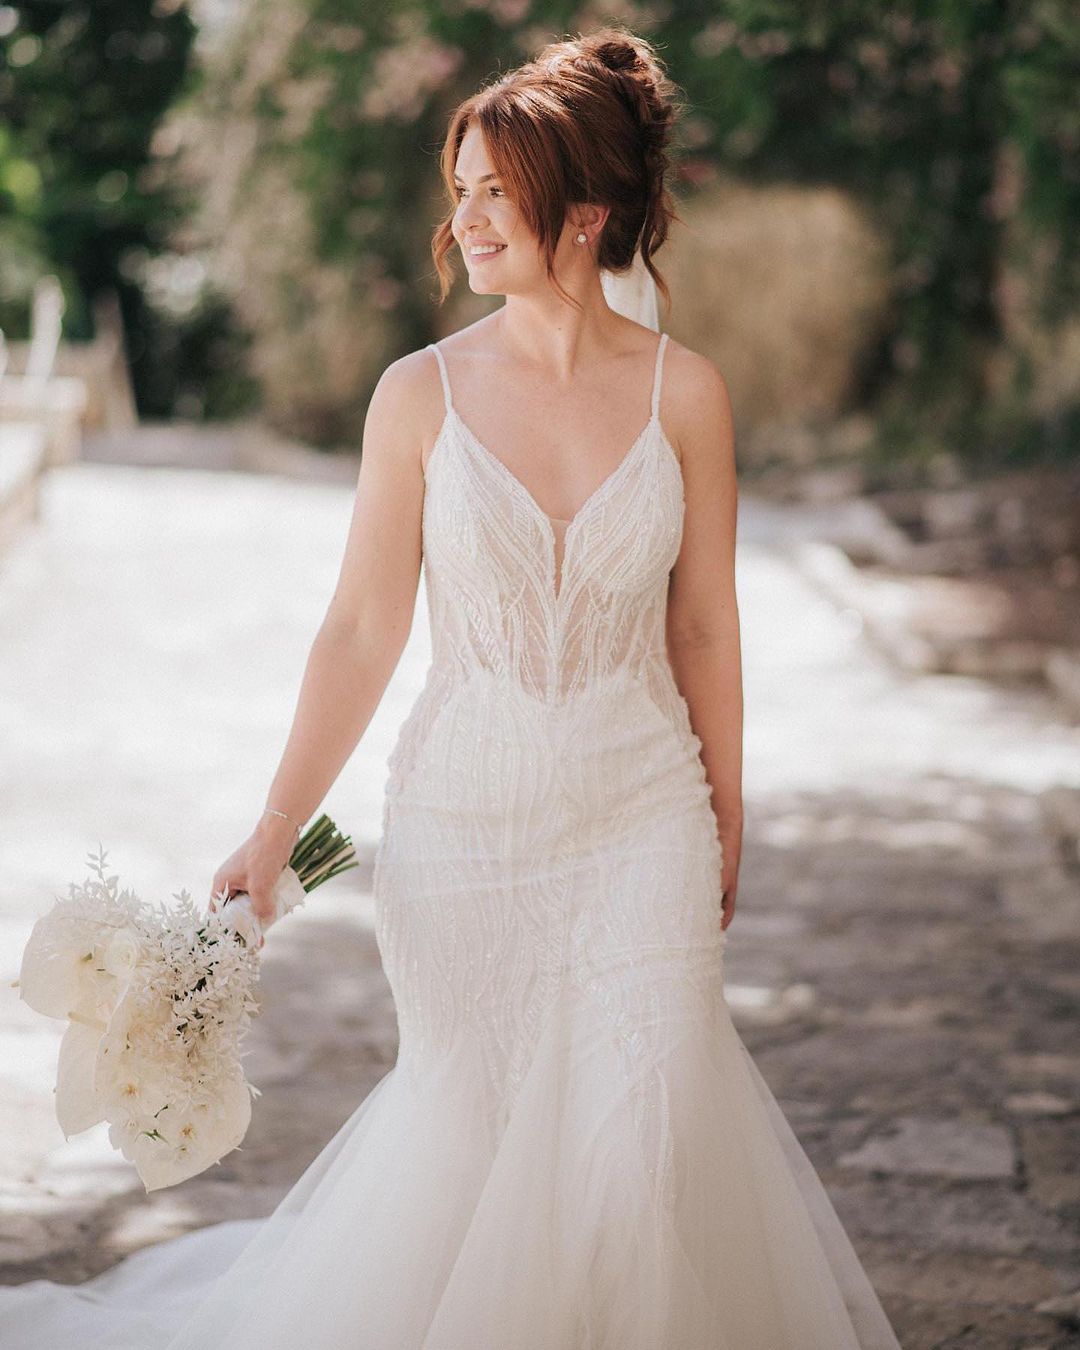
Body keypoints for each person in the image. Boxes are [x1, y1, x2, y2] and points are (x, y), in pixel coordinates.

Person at [0, 25, 903, 1350]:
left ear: (586, 213)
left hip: (643, 814)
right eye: (461, 188)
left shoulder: (687, 396)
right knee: (473, 1145)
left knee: (643, 1139)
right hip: (463, 837)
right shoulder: (415, 399)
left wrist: (728, 806)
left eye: (497, 192)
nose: (465, 217)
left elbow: (705, 626)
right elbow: (361, 630)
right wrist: (272, 827)